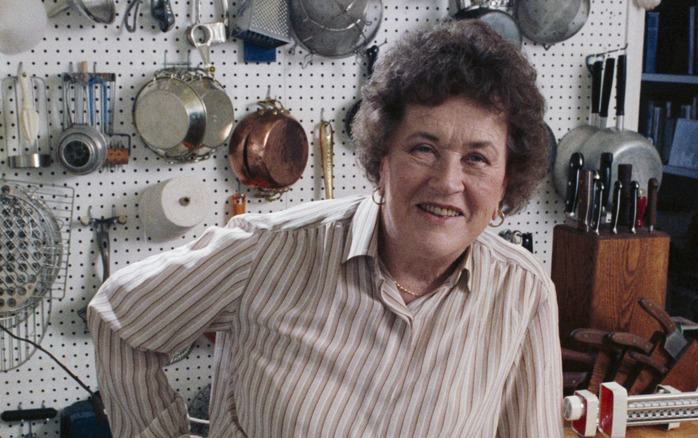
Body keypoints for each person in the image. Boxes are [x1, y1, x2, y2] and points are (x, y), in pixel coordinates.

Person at [88, 18, 563, 437]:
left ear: (506, 181)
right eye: (423, 148)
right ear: (383, 160)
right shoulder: (269, 252)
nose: (447, 181)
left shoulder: (522, 292)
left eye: (477, 158)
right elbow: (121, 318)